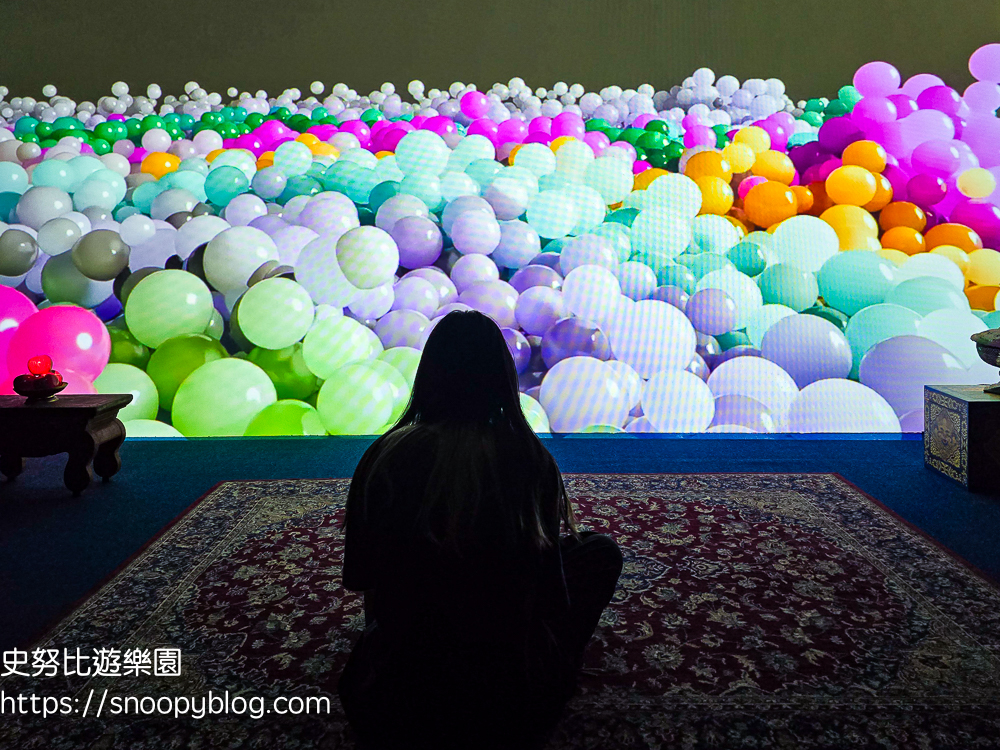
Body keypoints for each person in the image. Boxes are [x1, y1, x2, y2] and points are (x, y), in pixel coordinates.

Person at [338, 310, 623, 750]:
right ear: (502, 377)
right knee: (600, 552)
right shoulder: (529, 459)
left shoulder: (383, 456)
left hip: (388, 705)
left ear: (429, 374)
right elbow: (551, 597)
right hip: (513, 708)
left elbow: (362, 578)